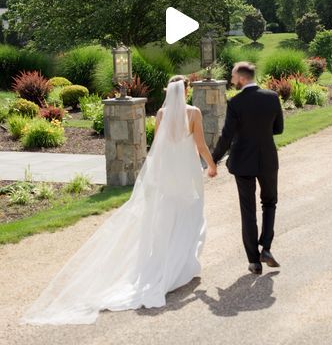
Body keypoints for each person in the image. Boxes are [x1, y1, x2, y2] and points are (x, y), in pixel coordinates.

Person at [19, 75, 217, 325]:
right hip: (185, 172)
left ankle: (170, 261)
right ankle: (182, 264)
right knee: (190, 214)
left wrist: (152, 175)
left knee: (165, 217)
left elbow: (156, 147)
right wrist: (211, 165)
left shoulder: (162, 114)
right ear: (186, 90)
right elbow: (199, 144)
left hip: (167, 173)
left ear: (170, 91)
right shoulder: (194, 113)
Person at [212, 61, 284, 275]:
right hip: (268, 159)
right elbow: (278, 128)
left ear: (242, 78)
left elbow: (226, 135)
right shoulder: (272, 97)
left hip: (243, 161)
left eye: (233, 77)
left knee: (248, 211)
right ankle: (267, 248)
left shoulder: (235, 102)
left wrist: (213, 159)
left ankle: (254, 261)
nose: (232, 80)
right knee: (269, 203)